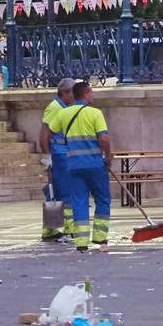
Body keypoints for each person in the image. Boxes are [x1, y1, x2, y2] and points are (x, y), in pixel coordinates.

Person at [51, 80, 112, 252]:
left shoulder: (64, 114)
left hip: (74, 166)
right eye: (91, 92)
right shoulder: (95, 113)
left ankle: (81, 242)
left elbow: (50, 131)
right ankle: (100, 238)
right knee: (102, 199)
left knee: (79, 201)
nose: (93, 95)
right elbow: (104, 138)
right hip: (95, 164)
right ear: (85, 94)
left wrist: (59, 148)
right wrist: (108, 157)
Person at [38, 78, 76, 241]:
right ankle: (70, 228)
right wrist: (47, 155)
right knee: (66, 190)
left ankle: (50, 229)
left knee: (55, 192)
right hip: (59, 154)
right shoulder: (55, 108)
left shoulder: (64, 107)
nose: (74, 96)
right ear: (64, 93)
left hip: (62, 153)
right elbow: (44, 133)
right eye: (72, 93)